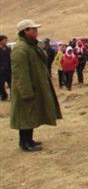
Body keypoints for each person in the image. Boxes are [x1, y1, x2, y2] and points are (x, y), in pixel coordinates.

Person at [10, 19, 62, 152]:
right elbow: (20, 74)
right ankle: (25, 143)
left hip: (33, 87)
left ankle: (29, 140)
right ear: (25, 31)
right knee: (26, 115)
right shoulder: (20, 49)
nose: (36, 31)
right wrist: (26, 92)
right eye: (33, 29)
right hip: (26, 88)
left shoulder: (31, 46)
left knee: (30, 114)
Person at [0, 35, 11, 101]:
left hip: (8, 70)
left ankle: (14, 96)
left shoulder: (8, 49)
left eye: (6, 40)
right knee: (1, 84)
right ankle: (4, 97)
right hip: (1, 71)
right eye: (5, 40)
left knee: (11, 84)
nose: (6, 42)